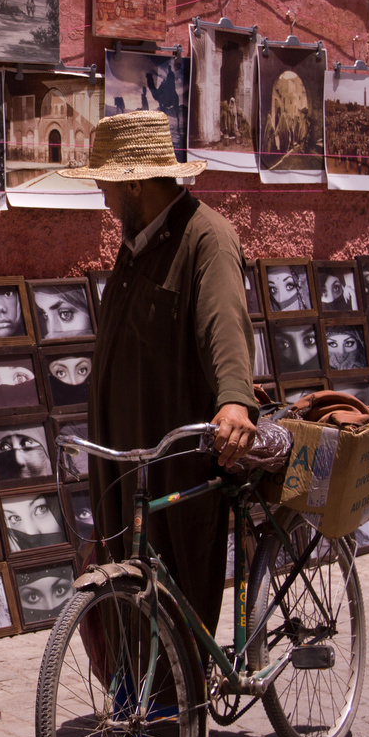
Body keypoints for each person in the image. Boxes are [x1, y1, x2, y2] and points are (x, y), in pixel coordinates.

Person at [58, 111, 258, 642]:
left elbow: (226, 328)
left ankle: (180, 713)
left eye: (107, 183)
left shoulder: (206, 239)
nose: (102, 193)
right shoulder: (139, 243)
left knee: (175, 589)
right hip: (126, 460)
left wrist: (235, 401)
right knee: (127, 583)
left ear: (138, 184)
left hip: (174, 462)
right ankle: (136, 701)